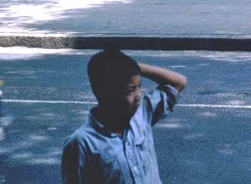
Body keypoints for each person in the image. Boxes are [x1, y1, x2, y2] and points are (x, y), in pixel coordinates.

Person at [62, 49, 187, 184]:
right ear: (105, 93)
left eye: (139, 86)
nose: (139, 95)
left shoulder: (141, 114)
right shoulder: (81, 143)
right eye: (130, 90)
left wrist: (136, 68)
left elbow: (178, 82)